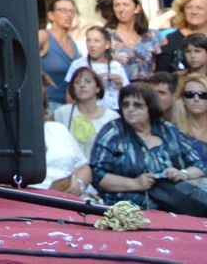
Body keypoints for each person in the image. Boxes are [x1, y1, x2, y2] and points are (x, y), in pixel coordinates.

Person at [89, 84, 207, 215]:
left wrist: (182, 173)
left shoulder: (168, 130)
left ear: (150, 108)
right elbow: (97, 175)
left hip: (173, 208)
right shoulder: (112, 132)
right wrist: (134, 183)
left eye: (137, 105)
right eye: (125, 104)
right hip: (125, 210)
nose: (130, 109)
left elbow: (199, 166)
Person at [52, 66, 117, 160]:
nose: (82, 85)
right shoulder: (62, 112)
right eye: (77, 82)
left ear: (98, 88)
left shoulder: (112, 117)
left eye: (88, 81)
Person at [66, 26, 129, 110]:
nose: (92, 45)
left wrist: (120, 85)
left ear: (107, 45)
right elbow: (69, 98)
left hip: (114, 113)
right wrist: (92, 81)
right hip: (86, 112)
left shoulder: (116, 66)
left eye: (97, 41)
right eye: (88, 40)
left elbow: (127, 97)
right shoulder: (78, 65)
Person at [104, 0, 162, 80]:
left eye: (126, 5)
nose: (121, 9)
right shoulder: (106, 36)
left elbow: (161, 68)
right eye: (117, 5)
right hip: (119, 90)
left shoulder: (153, 36)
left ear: (137, 8)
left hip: (148, 90)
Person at [39, 0, 81, 108]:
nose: (68, 15)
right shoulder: (44, 36)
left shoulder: (73, 43)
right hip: (48, 105)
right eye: (63, 10)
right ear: (51, 15)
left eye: (72, 11)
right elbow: (22, 57)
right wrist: (39, 74)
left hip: (72, 106)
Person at [157, 0, 207, 75]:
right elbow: (161, 72)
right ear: (182, 11)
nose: (194, 12)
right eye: (189, 7)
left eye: (199, 8)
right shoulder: (170, 39)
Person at [173, 74, 207, 166]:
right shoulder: (172, 132)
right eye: (190, 95)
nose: (196, 99)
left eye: (203, 95)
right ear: (183, 99)